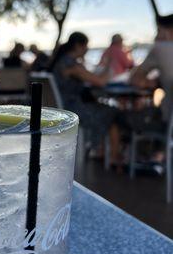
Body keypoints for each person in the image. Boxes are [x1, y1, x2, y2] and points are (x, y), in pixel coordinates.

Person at [50, 31, 120, 164]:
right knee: (113, 112)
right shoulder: (71, 65)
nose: (87, 49)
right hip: (72, 111)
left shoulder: (62, 61)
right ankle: (107, 154)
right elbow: (100, 82)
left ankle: (100, 149)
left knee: (106, 109)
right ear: (78, 45)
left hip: (63, 108)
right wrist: (110, 64)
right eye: (86, 46)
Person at [130, 19, 173, 122]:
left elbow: (135, 79)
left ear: (169, 30)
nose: (156, 37)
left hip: (169, 123)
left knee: (121, 117)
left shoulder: (161, 48)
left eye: (158, 31)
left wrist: (151, 82)